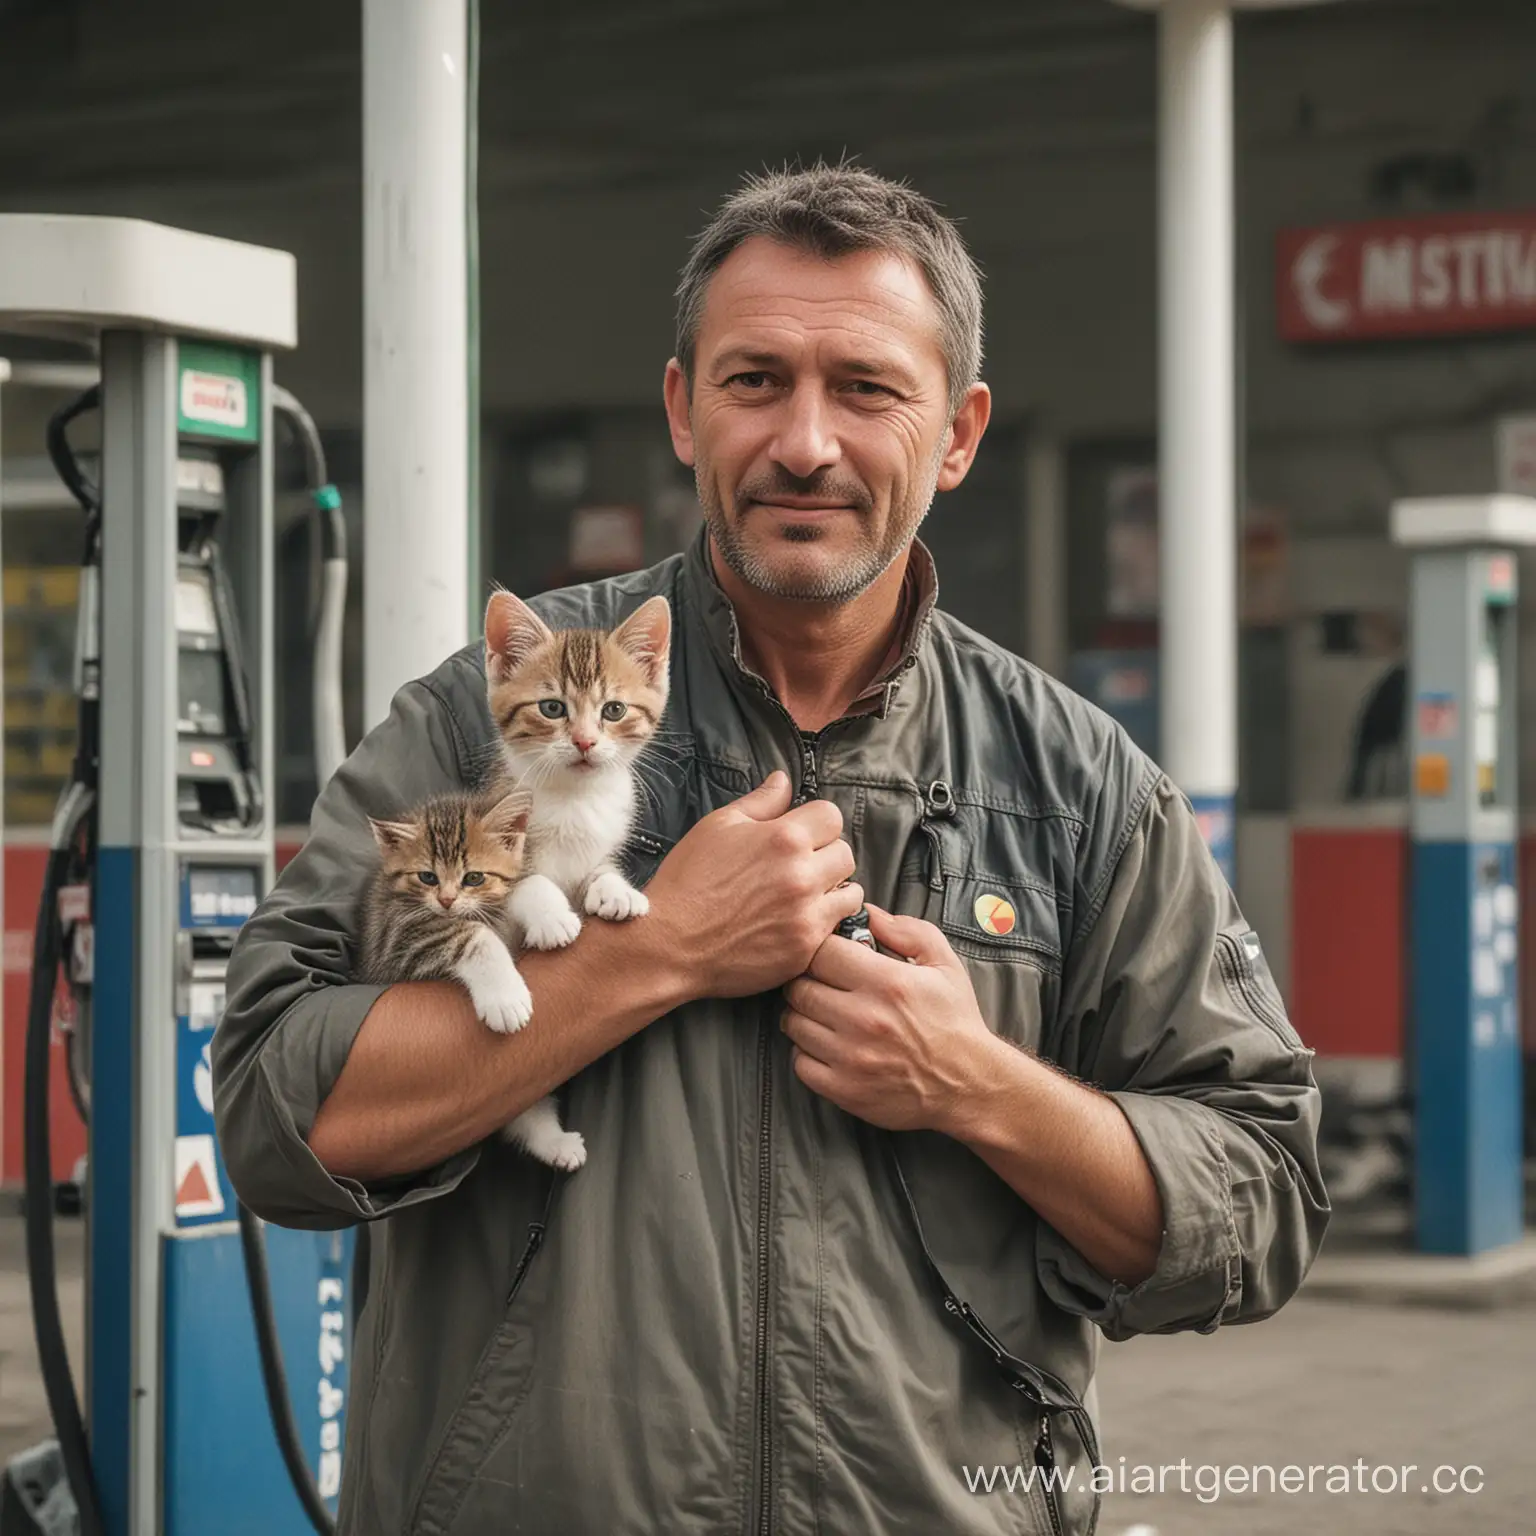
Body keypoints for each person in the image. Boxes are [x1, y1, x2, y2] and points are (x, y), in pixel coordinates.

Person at [215, 164, 1328, 1536]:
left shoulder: (1079, 784)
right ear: (685, 410)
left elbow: (1263, 1195)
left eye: (867, 390)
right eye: (755, 382)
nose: (806, 442)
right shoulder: (476, 723)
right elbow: (273, 1111)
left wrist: (974, 1080)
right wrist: (658, 956)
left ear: (962, 431)